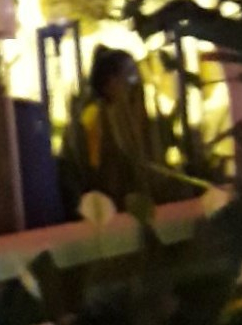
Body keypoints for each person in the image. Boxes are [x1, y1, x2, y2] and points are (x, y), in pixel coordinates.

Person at [59, 45, 171, 211]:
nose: (137, 82)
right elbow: (94, 173)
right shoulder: (93, 119)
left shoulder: (135, 115)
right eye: (130, 75)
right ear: (110, 83)